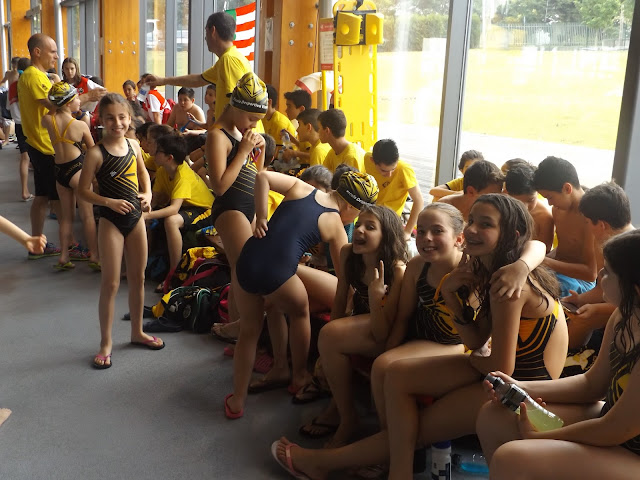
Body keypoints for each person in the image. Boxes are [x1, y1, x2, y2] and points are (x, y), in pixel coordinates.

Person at [270, 194, 566, 479]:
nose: (473, 229)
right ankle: (393, 471)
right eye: (472, 220)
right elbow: (476, 342)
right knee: (396, 376)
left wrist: (476, 357)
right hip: (497, 372)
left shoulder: (509, 285)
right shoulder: (490, 271)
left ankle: (324, 464)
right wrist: (450, 297)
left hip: (522, 388)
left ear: (511, 235)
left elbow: (499, 365)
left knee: (412, 430)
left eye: (485, 224)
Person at [476, 228, 640, 480]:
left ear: (635, 290)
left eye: (608, 271)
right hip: (610, 422)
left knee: (513, 458)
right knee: (494, 417)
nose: (599, 275)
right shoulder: (623, 315)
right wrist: (520, 386)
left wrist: (543, 436)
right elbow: (592, 385)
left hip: (629, 448)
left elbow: (616, 429)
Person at [225, 170, 379, 419]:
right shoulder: (335, 224)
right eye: (358, 214)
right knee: (300, 310)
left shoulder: (302, 187)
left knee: (249, 332)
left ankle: (237, 401)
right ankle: (299, 375)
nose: (356, 220)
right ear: (350, 206)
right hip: (277, 272)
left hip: (247, 261)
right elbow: (344, 277)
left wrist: (262, 216)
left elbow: (262, 176)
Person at [299, 204, 407, 446]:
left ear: (387, 236)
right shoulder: (349, 253)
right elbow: (340, 298)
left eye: (370, 227)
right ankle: (340, 409)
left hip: (386, 329)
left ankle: (346, 418)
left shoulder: (397, 270)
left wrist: (376, 300)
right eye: (358, 224)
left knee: (333, 338)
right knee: (329, 338)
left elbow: (383, 331)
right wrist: (327, 344)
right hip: (362, 319)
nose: (359, 230)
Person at [77, 93, 164, 369]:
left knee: (138, 278)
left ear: (130, 118)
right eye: (110, 118)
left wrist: (148, 194)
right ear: (101, 120)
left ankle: (137, 331)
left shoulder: (134, 146)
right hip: (111, 221)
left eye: (122, 117)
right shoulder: (96, 153)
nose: (117, 123)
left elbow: (143, 175)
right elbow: (82, 191)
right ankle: (106, 342)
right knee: (111, 283)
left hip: (136, 218)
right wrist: (108, 202)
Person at [561, 182, 634, 366]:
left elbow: (634, 306)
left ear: (602, 225)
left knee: (580, 324)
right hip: (615, 312)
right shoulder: (603, 242)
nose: (587, 228)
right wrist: (579, 299)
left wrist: (598, 310)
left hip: (631, 318)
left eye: (587, 223)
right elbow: (601, 289)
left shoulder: (633, 251)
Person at [145, 12, 251, 121]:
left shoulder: (229, 61)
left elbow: (238, 106)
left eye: (206, 32)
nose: (205, 38)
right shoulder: (226, 60)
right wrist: (162, 80)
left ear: (212, 31)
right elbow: (197, 80)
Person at [42, 81, 98, 271]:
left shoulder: (47, 120)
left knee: (66, 218)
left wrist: (55, 102)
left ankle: (64, 256)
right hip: (78, 171)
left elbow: (51, 110)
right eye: (76, 99)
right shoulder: (80, 125)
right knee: (87, 216)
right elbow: (93, 151)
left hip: (60, 172)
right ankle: (95, 256)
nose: (79, 101)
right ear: (67, 103)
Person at [144, 132, 214, 273]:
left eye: (157, 151)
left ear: (169, 158)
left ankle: (174, 271)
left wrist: (146, 215)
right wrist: (145, 211)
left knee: (171, 221)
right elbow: (155, 200)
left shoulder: (183, 175)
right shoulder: (163, 171)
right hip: (186, 208)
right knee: (147, 216)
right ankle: (145, 262)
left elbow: (173, 209)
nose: (152, 153)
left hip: (205, 211)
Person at [19, 34, 62, 258]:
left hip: (40, 144)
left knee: (43, 196)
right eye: (52, 51)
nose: (56, 56)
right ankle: (71, 245)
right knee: (60, 199)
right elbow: (58, 106)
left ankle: (36, 243)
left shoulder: (38, 75)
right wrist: (87, 97)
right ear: (37, 52)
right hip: (44, 146)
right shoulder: (34, 76)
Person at [534, 156, 597, 296]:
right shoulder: (557, 210)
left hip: (580, 281)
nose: (549, 203)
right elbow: (563, 248)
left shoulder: (591, 218)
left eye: (550, 197)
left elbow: (590, 274)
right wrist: (537, 259)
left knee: (538, 290)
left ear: (567, 188)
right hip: (557, 271)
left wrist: (544, 261)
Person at [364, 138, 424, 239]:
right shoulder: (367, 158)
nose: (389, 175)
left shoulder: (404, 169)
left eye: (393, 169)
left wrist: (407, 232)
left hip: (391, 218)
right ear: (372, 161)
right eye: (384, 170)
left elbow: (419, 201)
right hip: (372, 211)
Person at [504, 163, 554, 252]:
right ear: (506, 193)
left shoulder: (545, 217)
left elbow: (545, 250)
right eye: (518, 202)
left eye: (530, 200)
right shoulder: (501, 207)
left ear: (538, 192)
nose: (525, 207)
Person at [439, 159, 504, 220]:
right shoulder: (444, 208)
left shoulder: (492, 212)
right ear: (471, 192)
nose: (496, 201)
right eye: (491, 196)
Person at [8, 57, 33, 201]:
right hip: (31, 124)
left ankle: (24, 191)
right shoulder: (29, 84)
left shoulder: (13, 86)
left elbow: (9, 107)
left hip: (19, 125)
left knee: (25, 157)